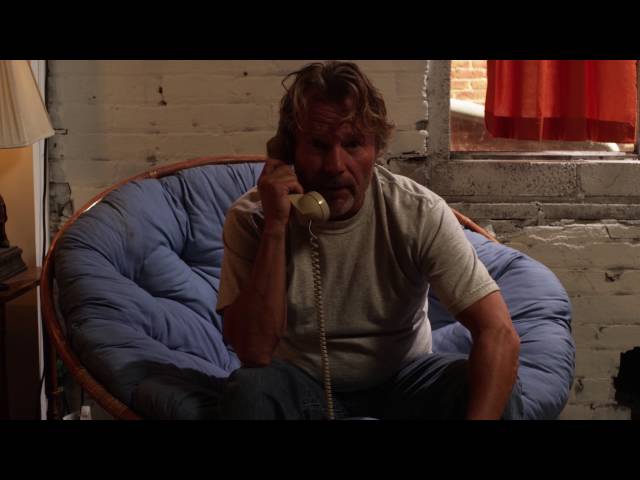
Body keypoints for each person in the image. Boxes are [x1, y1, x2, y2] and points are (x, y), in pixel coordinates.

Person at [216, 60, 522, 420]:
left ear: (376, 149)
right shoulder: (253, 218)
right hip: (303, 384)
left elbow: (498, 333)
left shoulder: (417, 212)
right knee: (249, 390)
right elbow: (253, 352)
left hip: (405, 382)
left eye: (353, 144)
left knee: (495, 385)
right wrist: (276, 226)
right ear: (288, 152)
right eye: (318, 145)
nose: (335, 165)